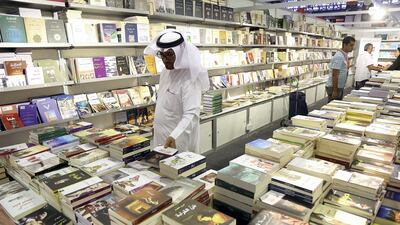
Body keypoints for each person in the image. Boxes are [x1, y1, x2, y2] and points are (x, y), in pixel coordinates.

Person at [144, 29, 209, 153]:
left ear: (180, 53)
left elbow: (191, 114)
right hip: (161, 134)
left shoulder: (190, 77)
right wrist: (155, 126)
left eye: (170, 54)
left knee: (179, 169)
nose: (165, 59)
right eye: (162, 55)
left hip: (178, 138)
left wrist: (175, 135)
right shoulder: (165, 72)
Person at [326, 36, 356, 101]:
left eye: (353, 45)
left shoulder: (344, 55)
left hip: (339, 86)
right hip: (334, 87)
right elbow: (335, 75)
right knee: (332, 107)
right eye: (351, 45)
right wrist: (335, 90)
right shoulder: (339, 56)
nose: (352, 48)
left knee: (336, 105)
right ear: (345, 44)